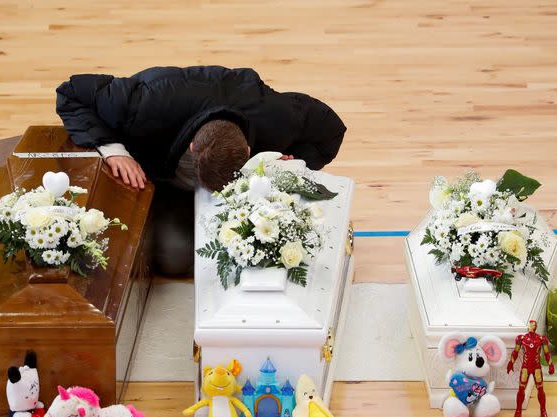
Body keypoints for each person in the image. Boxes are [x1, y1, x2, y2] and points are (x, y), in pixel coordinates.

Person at [55, 65, 346, 276]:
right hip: (160, 178)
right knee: (174, 259)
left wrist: (296, 160)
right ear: (193, 147)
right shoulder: (142, 103)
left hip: (238, 186)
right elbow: (71, 93)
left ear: (247, 151)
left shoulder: (278, 116)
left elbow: (331, 131)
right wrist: (113, 149)